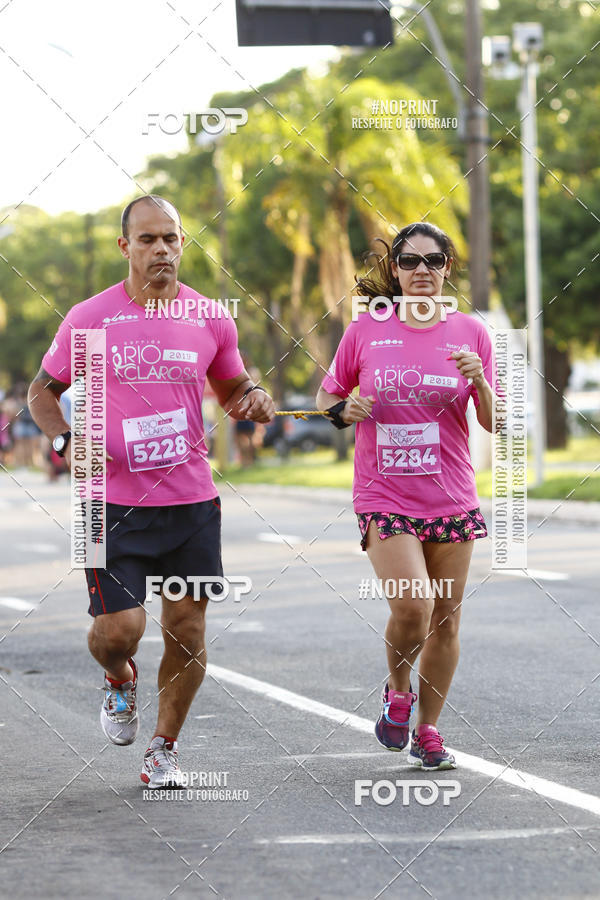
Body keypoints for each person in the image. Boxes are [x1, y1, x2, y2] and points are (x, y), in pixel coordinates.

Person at [28, 195, 275, 786]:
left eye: (170, 238)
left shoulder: (210, 317)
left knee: (187, 630)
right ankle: (119, 677)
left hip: (190, 500)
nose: (161, 249)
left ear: (183, 243)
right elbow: (41, 392)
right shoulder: (90, 318)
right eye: (147, 239)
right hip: (107, 502)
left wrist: (256, 398)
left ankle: (163, 749)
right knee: (121, 631)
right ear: (126, 247)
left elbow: (234, 386)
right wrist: (64, 441)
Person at [317, 222, 499, 771]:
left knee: (445, 619)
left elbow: (495, 423)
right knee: (414, 606)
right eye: (411, 261)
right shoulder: (367, 329)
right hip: (385, 493)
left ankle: (429, 730)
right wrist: (342, 410)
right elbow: (329, 394)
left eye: (435, 260)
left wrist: (481, 384)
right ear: (394, 272)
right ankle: (398, 689)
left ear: (448, 269)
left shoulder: (471, 332)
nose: (423, 270)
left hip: (451, 493)